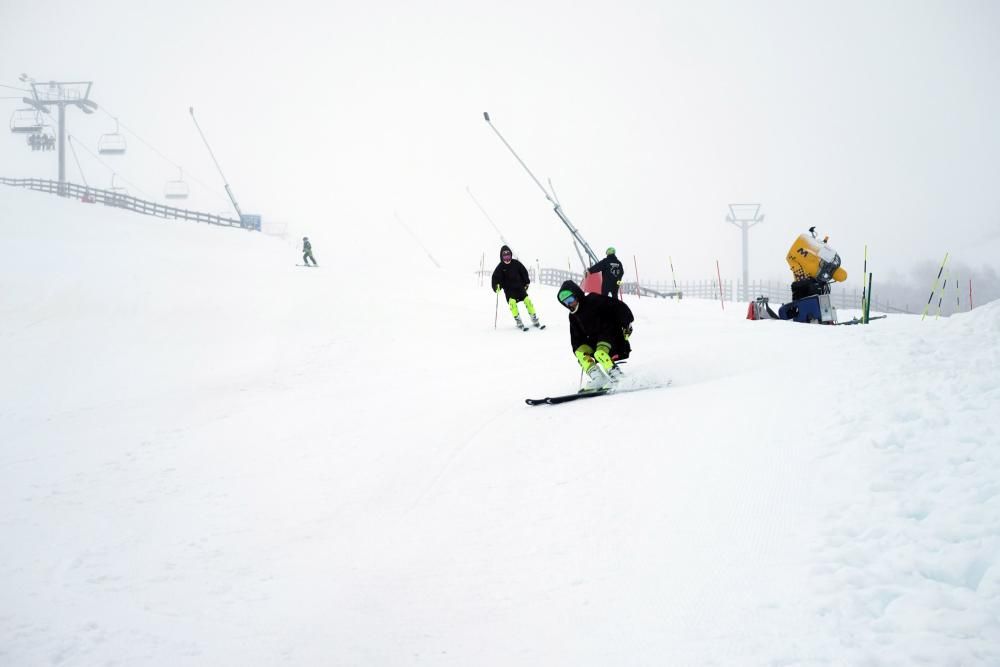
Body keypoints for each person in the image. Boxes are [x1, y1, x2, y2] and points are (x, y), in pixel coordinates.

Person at [556, 279, 634, 390]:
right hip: (594, 341)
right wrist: (577, 349)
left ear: (576, 295)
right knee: (580, 353)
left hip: (610, 334)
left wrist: (627, 322)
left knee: (599, 353)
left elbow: (617, 306)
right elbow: (575, 337)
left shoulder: (593, 300)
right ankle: (598, 378)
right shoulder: (573, 316)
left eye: (571, 299)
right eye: (566, 302)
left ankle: (618, 375)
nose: (570, 304)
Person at [491, 245, 542, 329]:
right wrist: (496, 286)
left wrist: (526, 282)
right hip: (509, 290)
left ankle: (534, 318)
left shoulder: (516, 263)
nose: (507, 259)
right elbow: (495, 278)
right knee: (512, 303)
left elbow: (524, 272)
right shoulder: (500, 267)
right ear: (502, 257)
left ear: (511, 255)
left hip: (519, 287)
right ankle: (518, 320)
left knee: (527, 301)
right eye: (505, 257)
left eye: (508, 256)